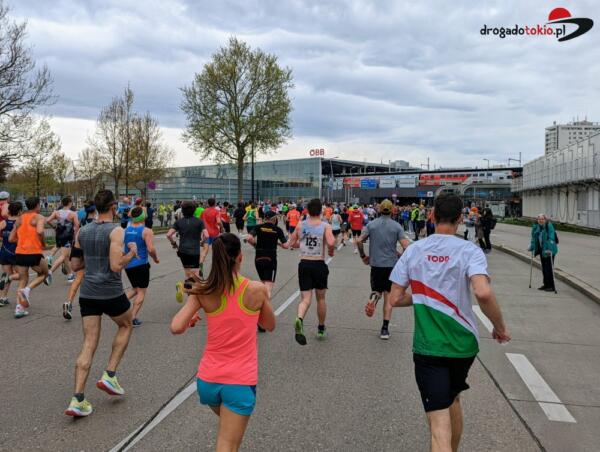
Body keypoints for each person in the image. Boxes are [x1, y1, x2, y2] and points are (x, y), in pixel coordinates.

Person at [388, 194, 510, 452]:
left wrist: (423, 296)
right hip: (463, 346)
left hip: (429, 346)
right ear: (460, 219)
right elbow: (483, 292)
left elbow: (395, 299)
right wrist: (499, 328)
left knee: (438, 426)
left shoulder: (414, 250)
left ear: (431, 216)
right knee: (452, 398)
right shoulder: (470, 251)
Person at [170, 233, 274, 452]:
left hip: (208, 380)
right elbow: (269, 324)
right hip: (239, 381)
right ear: (240, 257)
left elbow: (176, 326)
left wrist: (193, 314)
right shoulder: (256, 289)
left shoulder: (203, 290)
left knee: (229, 437)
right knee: (227, 443)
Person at [64, 189, 137, 417]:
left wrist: (93, 260)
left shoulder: (83, 231)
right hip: (111, 292)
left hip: (88, 294)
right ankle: (110, 375)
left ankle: (77, 399)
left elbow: (75, 265)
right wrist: (131, 253)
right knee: (126, 325)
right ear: (113, 207)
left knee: (89, 343)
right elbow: (116, 265)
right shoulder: (116, 230)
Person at [356, 199, 410, 340]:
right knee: (389, 297)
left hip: (376, 265)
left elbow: (359, 240)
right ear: (392, 210)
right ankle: (385, 329)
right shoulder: (397, 226)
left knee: (377, 290)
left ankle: (374, 299)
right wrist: (400, 257)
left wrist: (363, 256)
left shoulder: (371, 225)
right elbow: (406, 246)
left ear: (379, 210)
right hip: (391, 265)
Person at [287, 198, 335, 344]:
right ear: (321, 211)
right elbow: (331, 242)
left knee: (305, 299)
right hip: (318, 264)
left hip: (304, 264)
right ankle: (321, 328)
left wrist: (301, 243)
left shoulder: (300, 225)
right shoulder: (325, 226)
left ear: (307, 210)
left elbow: (291, 243)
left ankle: (300, 318)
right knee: (321, 299)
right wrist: (331, 250)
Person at [9, 197, 49, 319]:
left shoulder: (19, 219)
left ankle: (19, 309)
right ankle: (27, 290)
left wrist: (22, 241)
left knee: (23, 279)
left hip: (20, 252)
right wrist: (43, 243)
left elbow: (11, 238)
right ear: (37, 205)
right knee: (44, 273)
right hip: (34, 252)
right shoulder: (39, 217)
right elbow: (40, 231)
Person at [124, 206, 159, 327]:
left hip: (128, 264)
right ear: (143, 217)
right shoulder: (146, 231)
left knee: (135, 288)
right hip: (141, 264)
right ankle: (132, 318)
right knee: (141, 291)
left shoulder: (125, 230)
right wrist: (155, 258)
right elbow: (150, 249)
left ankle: (119, 303)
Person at [167, 201, 208, 303]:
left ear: (183, 210)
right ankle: (184, 289)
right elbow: (206, 235)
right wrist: (202, 242)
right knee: (196, 275)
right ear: (194, 210)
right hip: (194, 251)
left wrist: (173, 243)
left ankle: (189, 297)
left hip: (183, 251)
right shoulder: (199, 221)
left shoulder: (179, 222)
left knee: (188, 273)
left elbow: (168, 235)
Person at [64, 202, 97, 320]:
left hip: (78, 247)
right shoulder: (96, 222)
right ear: (95, 210)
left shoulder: (82, 220)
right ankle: (92, 303)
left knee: (78, 278)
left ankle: (68, 302)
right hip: (90, 250)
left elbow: (76, 233)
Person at [246, 211, 288, 296]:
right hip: (270, 259)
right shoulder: (277, 229)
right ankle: (265, 303)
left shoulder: (258, 227)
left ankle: (261, 302)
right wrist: (278, 243)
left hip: (259, 258)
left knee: (263, 284)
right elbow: (286, 246)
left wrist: (255, 245)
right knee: (268, 286)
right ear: (274, 219)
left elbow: (249, 238)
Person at [46, 196, 80, 285]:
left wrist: (54, 227)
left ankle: (70, 275)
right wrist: (75, 237)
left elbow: (48, 220)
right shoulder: (73, 214)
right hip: (68, 236)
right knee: (63, 255)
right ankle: (50, 272)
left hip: (59, 234)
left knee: (66, 256)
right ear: (70, 203)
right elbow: (77, 226)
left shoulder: (56, 212)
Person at [528, 214, 558, 292]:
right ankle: (546, 284)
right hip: (542, 250)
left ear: (545, 220)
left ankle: (551, 286)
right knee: (544, 268)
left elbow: (551, 238)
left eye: (542, 219)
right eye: (539, 219)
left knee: (549, 268)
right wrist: (532, 246)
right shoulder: (536, 227)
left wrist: (549, 248)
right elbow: (534, 238)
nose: (541, 220)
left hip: (549, 250)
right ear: (537, 220)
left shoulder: (549, 226)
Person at [0, 202, 22, 307]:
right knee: (22, 275)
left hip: (4, 251)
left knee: (7, 274)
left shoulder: (3, 222)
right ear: (19, 211)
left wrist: (2, 238)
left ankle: (2, 298)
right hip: (16, 252)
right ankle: (8, 278)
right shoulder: (20, 222)